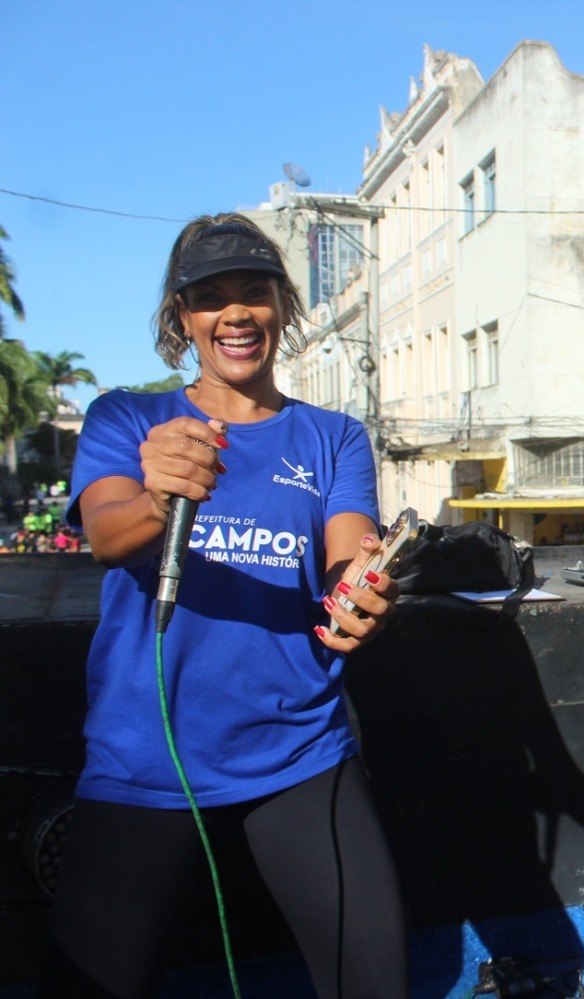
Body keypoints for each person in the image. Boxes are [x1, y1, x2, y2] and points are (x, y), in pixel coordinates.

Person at [42, 214, 408, 998]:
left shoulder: (333, 436)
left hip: (301, 753)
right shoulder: (125, 419)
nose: (235, 313)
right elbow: (107, 533)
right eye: (210, 298)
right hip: (146, 761)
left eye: (255, 292)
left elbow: (349, 550)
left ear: (283, 306)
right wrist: (159, 493)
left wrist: (367, 586)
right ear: (182, 320)